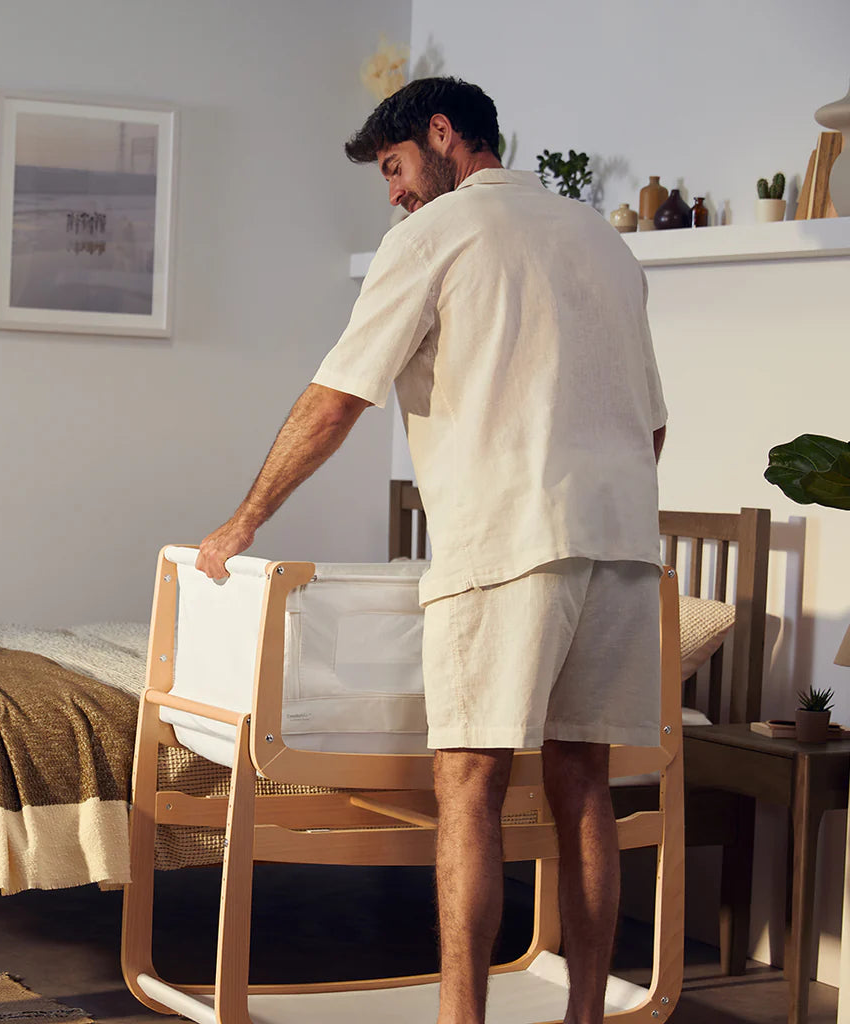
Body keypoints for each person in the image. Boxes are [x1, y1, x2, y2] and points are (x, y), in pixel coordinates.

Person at [195, 76, 667, 1024]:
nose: (395, 193)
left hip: (506, 541)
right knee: (584, 782)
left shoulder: (435, 235)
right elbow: (652, 428)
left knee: (471, 783)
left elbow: (338, 398)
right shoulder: (601, 240)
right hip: (621, 541)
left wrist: (242, 523)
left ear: (443, 135)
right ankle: (584, 1018)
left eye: (396, 166)